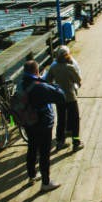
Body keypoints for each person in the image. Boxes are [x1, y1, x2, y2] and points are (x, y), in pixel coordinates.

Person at [21, 60, 65, 192]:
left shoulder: (21, 83)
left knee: (32, 147)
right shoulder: (39, 86)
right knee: (45, 153)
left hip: (27, 122)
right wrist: (45, 81)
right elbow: (60, 95)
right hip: (42, 123)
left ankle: (32, 175)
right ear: (36, 71)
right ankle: (46, 182)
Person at [46, 47, 84, 152]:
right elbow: (79, 81)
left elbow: (48, 80)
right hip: (71, 97)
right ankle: (76, 142)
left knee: (61, 120)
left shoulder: (53, 68)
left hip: (59, 98)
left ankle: (59, 142)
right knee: (75, 120)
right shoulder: (69, 67)